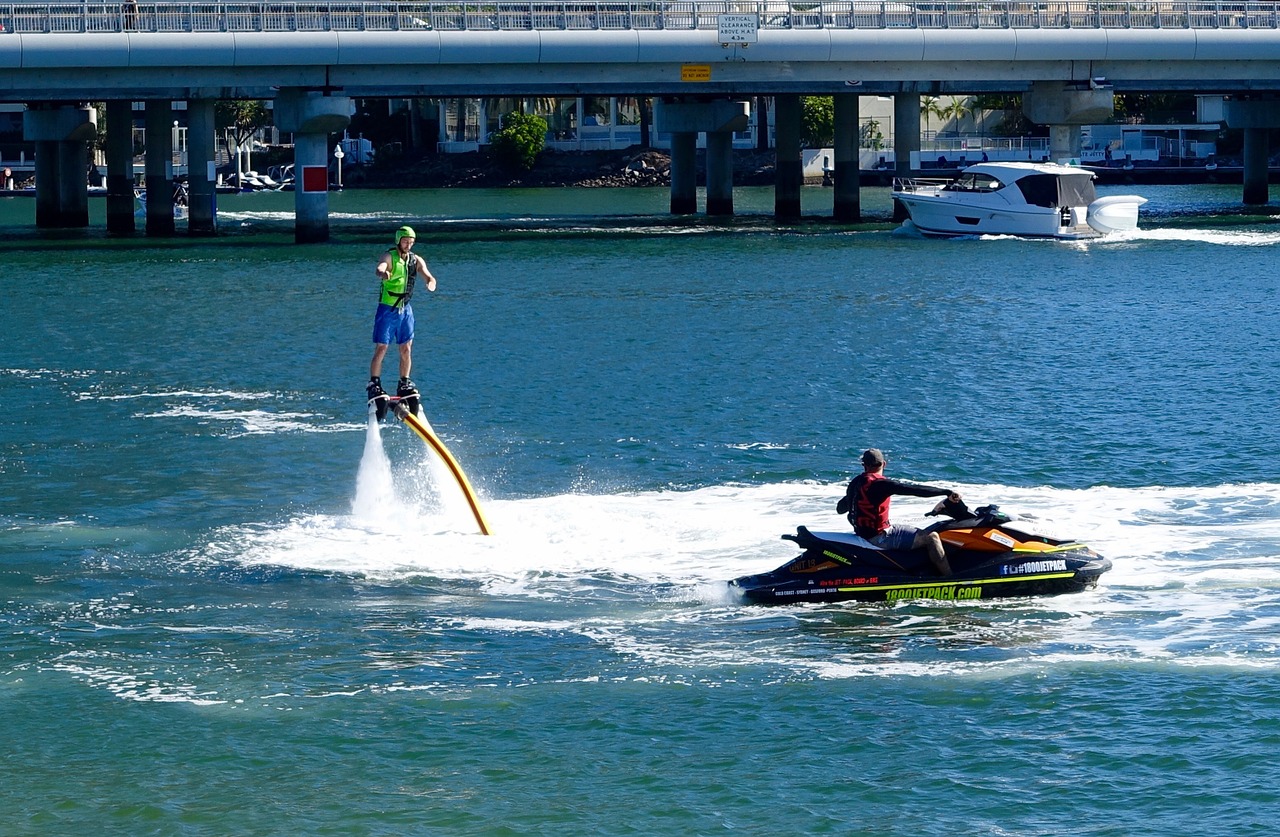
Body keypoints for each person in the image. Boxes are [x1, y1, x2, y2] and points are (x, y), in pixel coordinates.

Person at [836, 449, 961, 576]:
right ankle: (950, 577)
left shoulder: (855, 483)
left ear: (864, 465)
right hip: (880, 538)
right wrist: (946, 492)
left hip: (861, 534)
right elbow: (915, 490)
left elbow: (840, 509)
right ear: (884, 464)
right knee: (932, 537)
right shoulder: (881, 484)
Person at [367, 225, 437, 415]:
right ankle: (374, 382)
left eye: (411, 242)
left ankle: (404, 382)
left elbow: (428, 275)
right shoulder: (389, 256)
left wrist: (430, 282)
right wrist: (383, 273)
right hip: (387, 309)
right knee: (382, 347)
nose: (408, 244)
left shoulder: (415, 260)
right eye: (406, 241)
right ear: (398, 240)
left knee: (406, 347)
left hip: (405, 310)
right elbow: (379, 267)